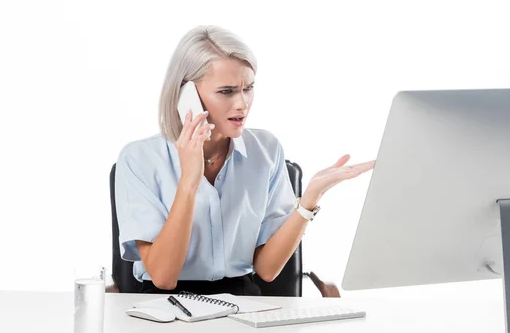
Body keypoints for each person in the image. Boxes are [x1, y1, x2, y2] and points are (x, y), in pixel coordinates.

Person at [115, 25, 374, 296]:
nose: (242, 104)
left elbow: (267, 269)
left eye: (248, 88)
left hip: (241, 302)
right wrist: (189, 182)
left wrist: (309, 199)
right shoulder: (140, 159)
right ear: (186, 96)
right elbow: (164, 277)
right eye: (226, 91)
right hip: (165, 306)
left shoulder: (266, 150)